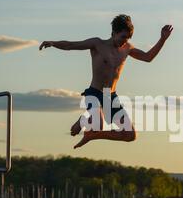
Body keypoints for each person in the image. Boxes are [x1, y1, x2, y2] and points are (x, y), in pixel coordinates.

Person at [39, 14, 173, 149]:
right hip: (94, 93)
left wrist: (163, 39)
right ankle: (84, 119)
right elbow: (71, 45)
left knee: (130, 135)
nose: (124, 41)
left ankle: (91, 135)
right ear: (114, 32)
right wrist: (53, 43)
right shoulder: (97, 44)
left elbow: (147, 57)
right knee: (98, 124)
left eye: (127, 38)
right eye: (122, 37)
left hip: (111, 96)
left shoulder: (127, 48)